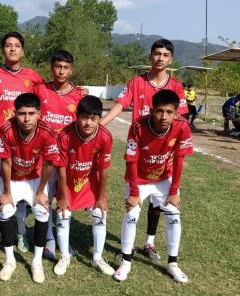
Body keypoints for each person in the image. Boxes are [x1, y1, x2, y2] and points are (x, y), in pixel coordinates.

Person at [100, 39, 188, 263]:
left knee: (158, 204)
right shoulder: (137, 82)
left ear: (171, 60)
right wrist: (101, 124)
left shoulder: (176, 86)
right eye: (157, 53)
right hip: (140, 151)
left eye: (165, 54)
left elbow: (181, 117)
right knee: (133, 202)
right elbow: (120, 104)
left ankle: (149, 242)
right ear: (150, 57)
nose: (160, 58)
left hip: (163, 157)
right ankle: (126, 249)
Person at [0, 32, 44, 253]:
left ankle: (21, 231)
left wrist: (79, 93)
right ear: (3, 50)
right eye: (8, 45)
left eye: (16, 46)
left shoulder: (32, 76)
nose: (12, 49)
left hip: (21, 143)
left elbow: (49, 94)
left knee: (18, 190)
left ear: (23, 51)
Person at [113, 89, 193, 284]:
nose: (163, 116)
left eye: (169, 112)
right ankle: (126, 260)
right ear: (151, 110)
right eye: (159, 111)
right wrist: (133, 192)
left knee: (174, 214)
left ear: (176, 113)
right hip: (138, 179)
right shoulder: (138, 127)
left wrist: (174, 192)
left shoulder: (182, 127)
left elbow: (180, 160)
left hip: (164, 178)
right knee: (131, 214)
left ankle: (172, 263)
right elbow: (131, 161)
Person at [0, 93, 59, 283]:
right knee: (6, 211)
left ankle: (36, 262)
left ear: (39, 113)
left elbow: (49, 164)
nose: (26, 118)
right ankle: (10, 261)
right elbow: (5, 163)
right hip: (12, 178)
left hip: (34, 178)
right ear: (15, 113)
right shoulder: (5, 129)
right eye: (22, 113)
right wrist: (6, 192)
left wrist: (40, 192)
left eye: (31, 113)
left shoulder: (48, 131)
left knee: (42, 211)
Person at [52, 95, 115, 277]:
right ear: (77, 116)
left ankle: (97, 257)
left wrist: (102, 197)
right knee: (64, 214)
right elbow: (62, 170)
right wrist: (63, 197)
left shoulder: (105, 136)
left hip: (89, 180)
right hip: (68, 181)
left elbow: (104, 169)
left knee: (99, 213)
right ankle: (64, 256)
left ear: (99, 119)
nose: (88, 123)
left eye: (93, 118)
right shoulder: (64, 135)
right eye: (84, 117)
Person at [33, 50, 84, 258]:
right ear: (51, 67)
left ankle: (63, 240)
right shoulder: (40, 90)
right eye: (57, 66)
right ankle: (49, 240)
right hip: (43, 156)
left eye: (65, 68)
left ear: (71, 70)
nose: (61, 71)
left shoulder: (79, 95)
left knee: (64, 197)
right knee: (45, 196)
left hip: (67, 156)